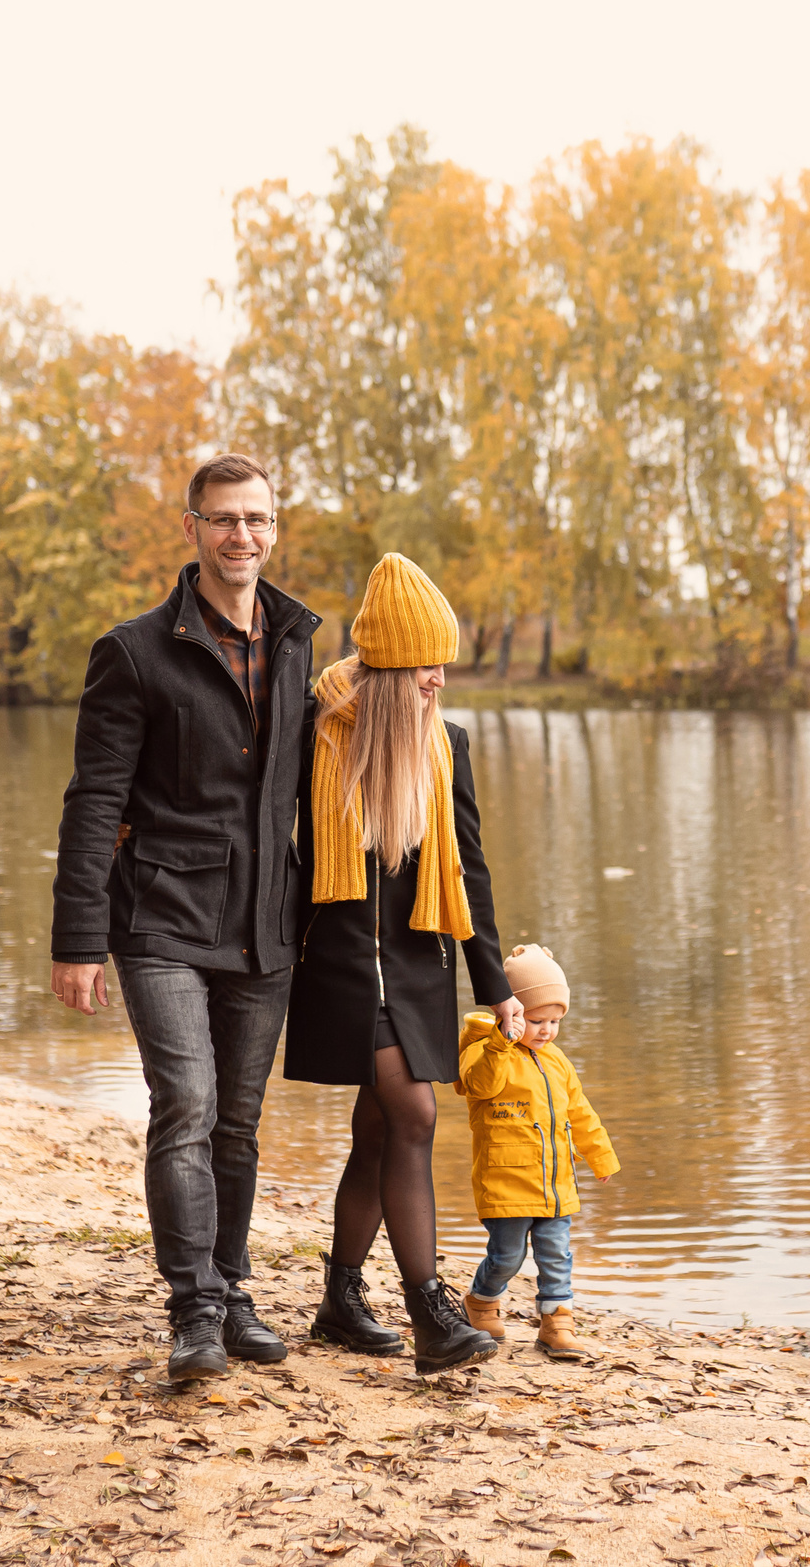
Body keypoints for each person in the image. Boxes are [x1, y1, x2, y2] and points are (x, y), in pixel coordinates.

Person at [47, 452, 320, 1383]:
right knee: (189, 1104)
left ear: (274, 527)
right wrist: (79, 936)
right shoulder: (133, 651)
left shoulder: (294, 638)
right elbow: (93, 802)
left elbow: (309, 783)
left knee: (238, 1121)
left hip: (265, 918)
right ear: (192, 528)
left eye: (257, 519)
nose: (242, 535)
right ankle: (193, 1310)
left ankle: (234, 1287)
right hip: (159, 915)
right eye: (223, 519)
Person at [285, 552, 521, 1375]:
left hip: (420, 967)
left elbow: (473, 873)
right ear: (389, 667)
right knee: (414, 1114)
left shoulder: (445, 746)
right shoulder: (318, 735)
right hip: (342, 966)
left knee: (380, 1128)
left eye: (444, 661)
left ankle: (340, 1301)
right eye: (426, 663)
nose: (439, 678)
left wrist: (497, 990)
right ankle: (432, 1311)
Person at [456, 943, 619, 1360]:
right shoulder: (485, 1053)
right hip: (506, 1182)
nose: (546, 1030)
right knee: (507, 1256)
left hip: (556, 1183)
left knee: (556, 1255)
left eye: (555, 1021)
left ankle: (557, 1322)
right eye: (535, 1019)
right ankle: (482, 1303)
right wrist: (498, 1043)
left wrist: (600, 1156)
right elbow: (480, 1086)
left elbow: (580, 1113)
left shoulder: (558, 1061)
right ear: (509, 1012)